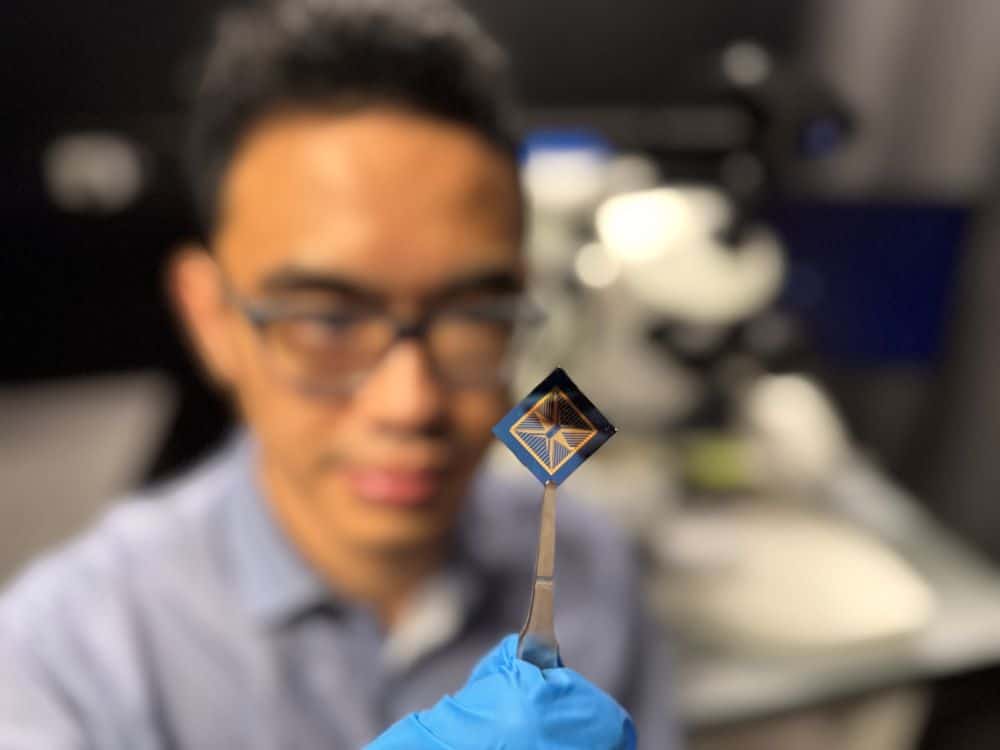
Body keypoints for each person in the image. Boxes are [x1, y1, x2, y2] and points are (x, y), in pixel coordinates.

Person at [0, 0, 679, 747]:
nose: (409, 403)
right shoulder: (62, 660)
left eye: (471, 315)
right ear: (211, 319)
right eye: (327, 320)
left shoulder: (594, 571)